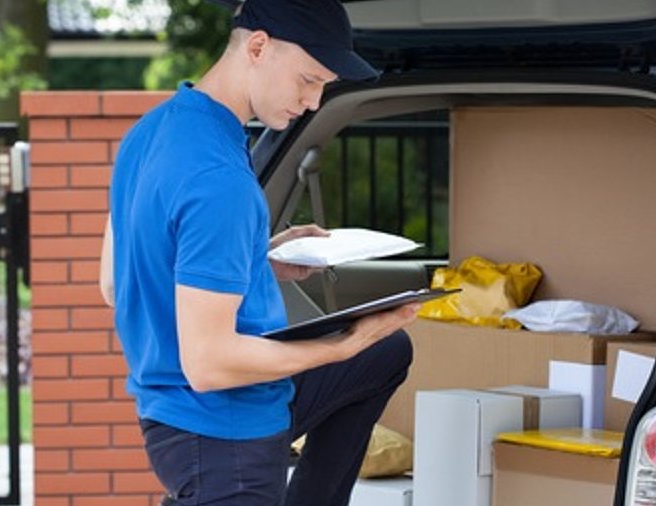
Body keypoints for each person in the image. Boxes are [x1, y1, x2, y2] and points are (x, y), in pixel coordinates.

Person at [100, 0, 418, 504]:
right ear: (258, 47)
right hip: (224, 438)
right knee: (363, 347)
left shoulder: (152, 132)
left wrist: (255, 259)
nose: (313, 102)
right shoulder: (219, 179)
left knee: (386, 352)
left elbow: (119, 280)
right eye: (309, 80)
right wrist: (343, 344)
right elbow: (209, 363)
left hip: (178, 416)